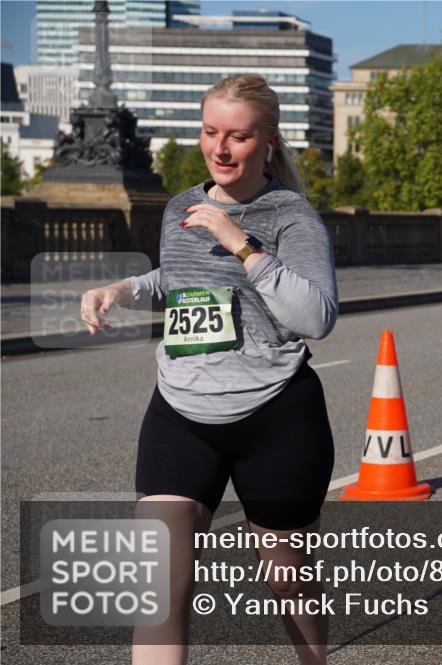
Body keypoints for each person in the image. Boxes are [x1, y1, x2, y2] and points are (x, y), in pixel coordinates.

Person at [80, 74, 338, 665]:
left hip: (274, 416)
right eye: (210, 132)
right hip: (181, 411)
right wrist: (121, 288)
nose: (220, 149)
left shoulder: (290, 217)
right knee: (160, 583)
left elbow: (317, 316)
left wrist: (243, 244)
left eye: (238, 136)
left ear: (268, 142)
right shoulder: (180, 207)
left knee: (287, 579)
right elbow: (178, 282)